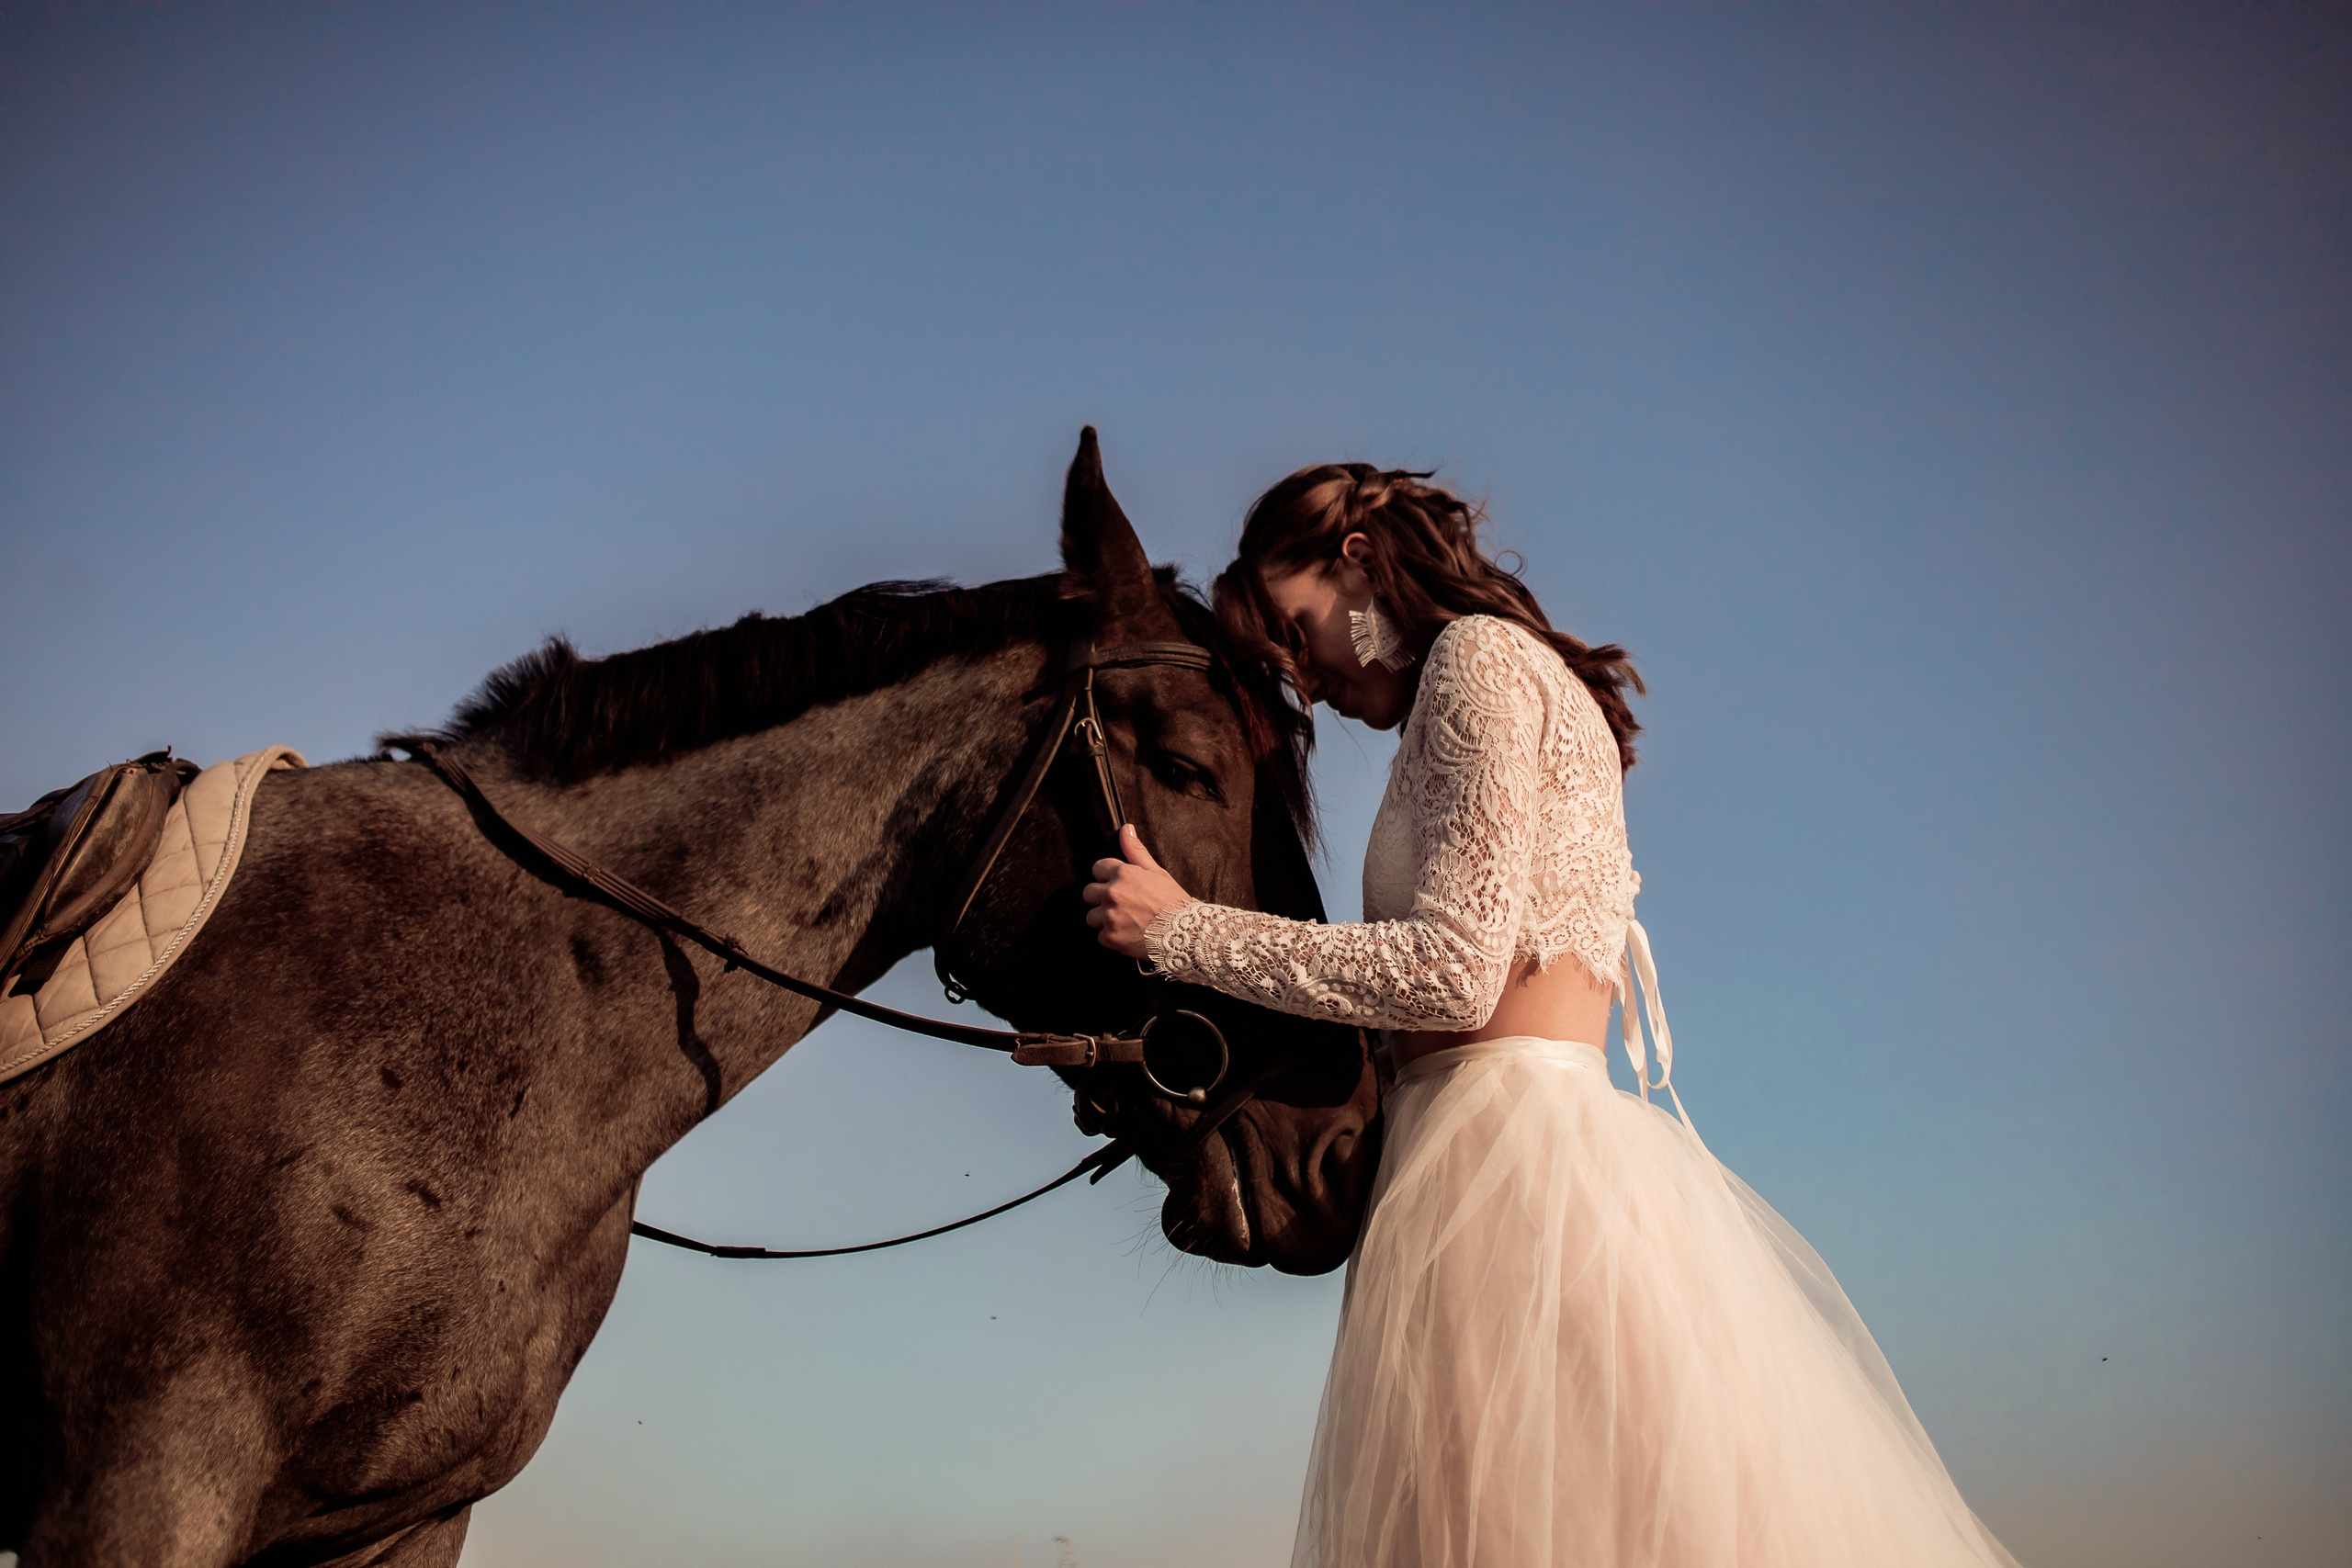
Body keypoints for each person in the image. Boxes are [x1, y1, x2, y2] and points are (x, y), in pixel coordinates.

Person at [1083, 464, 2023, 1568]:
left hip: (1504, 1170)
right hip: (1479, 1150)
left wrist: (1182, 932)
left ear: (1358, 562)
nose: (1304, 680)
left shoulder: (1475, 664)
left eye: (1295, 631)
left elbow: (1453, 973)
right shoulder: (1475, 684)